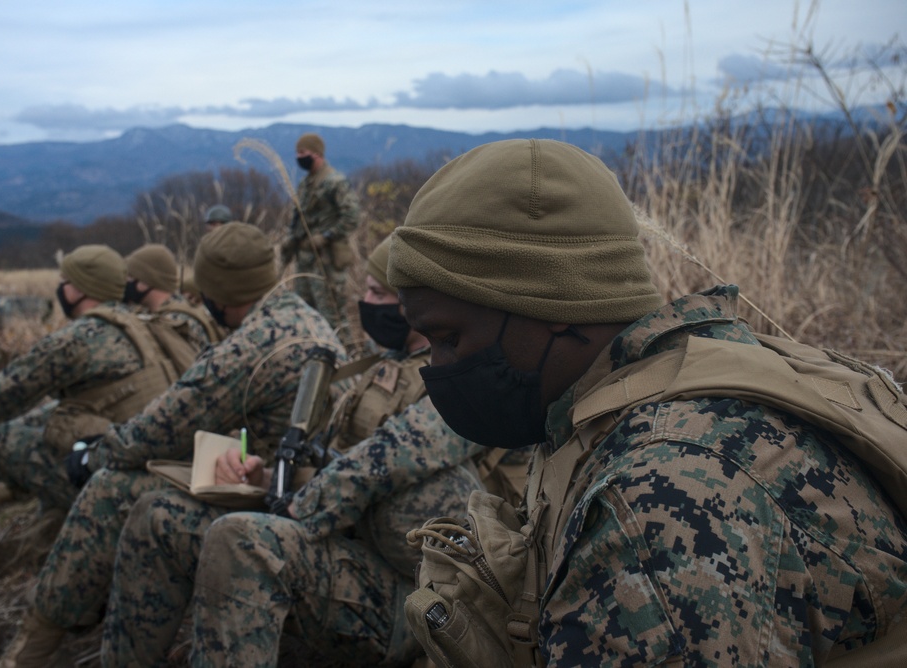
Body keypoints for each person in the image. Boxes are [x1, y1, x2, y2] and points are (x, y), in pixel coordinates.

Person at [387, 139, 907, 665]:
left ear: (551, 302)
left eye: (449, 338)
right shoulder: (633, 389)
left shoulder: (660, 499)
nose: (437, 366)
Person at [99, 235, 484, 667]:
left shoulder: (467, 382)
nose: (366, 302)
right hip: (351, 551)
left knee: (242, 541)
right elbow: (335, 462)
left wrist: (297, 507)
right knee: (159, 516)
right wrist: (263, 479)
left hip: (418, 602)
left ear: (421, 303)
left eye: (379, 294)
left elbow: (390, 457)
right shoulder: (383, 368)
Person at [0, 222, 348, 667]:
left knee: (111, 490)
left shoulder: (250, 347)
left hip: (271, 504)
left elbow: (158, 429)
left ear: (219, 291)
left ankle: (39, 646)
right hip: (299, 488)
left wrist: (94, 454)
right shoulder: (304, 317)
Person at [0, 245, 180, 614]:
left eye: (64, 281)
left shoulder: (77, 338)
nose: (60, 289)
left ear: (79, 289)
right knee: (47, 429)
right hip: (156, 477)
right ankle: (41, 536)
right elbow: (76, 404)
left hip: (114, 487)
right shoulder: (145, 326)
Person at [281, 132, 362, 347]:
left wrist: (327, 236)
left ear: (317, 153)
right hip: (306, 261)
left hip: (326, 262)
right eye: (297, 153)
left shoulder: (334, 182)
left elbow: (352, 216)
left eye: (303, 152)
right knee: (304, 314)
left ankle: (347, 359)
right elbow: (299, 218)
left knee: (333, 316)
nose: (298, 157)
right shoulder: (306, 184)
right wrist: (291, 241)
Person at [123, 243, 224, 347]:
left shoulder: (176, 322)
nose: (126, 283)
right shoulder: (172, 311)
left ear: (147, 281)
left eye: (130, 277)